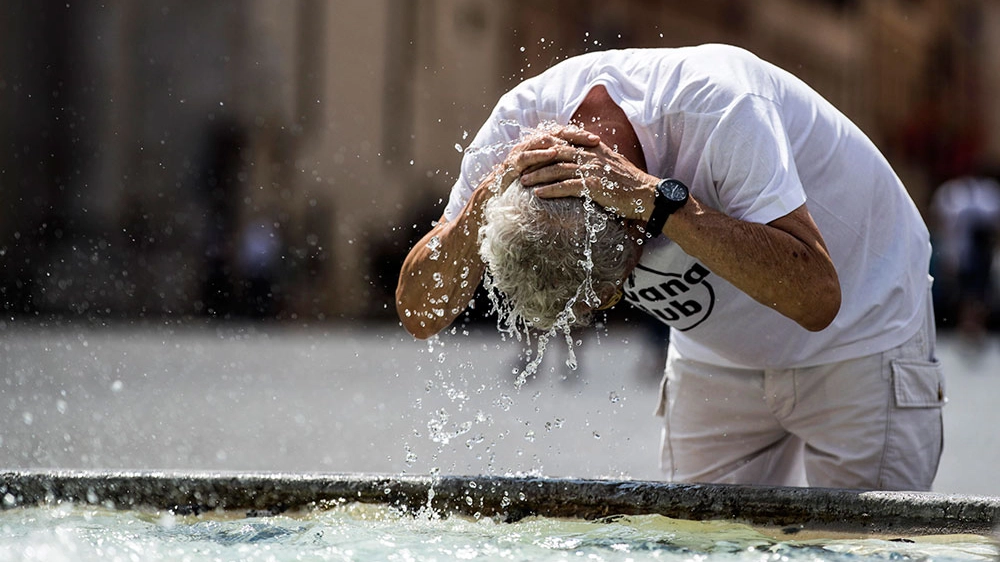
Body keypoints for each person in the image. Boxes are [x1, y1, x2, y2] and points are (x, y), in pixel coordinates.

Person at [396, 44, 944, 491]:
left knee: (867, 547)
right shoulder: (514, 131)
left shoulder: (720, 107)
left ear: (637, 237)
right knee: (698, 547)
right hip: (716, 351)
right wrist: (481, 204)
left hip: (863, 326)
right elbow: (419, 314)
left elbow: (818, 298)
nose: (610, 309)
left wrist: (661, 201)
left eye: (607, 297)